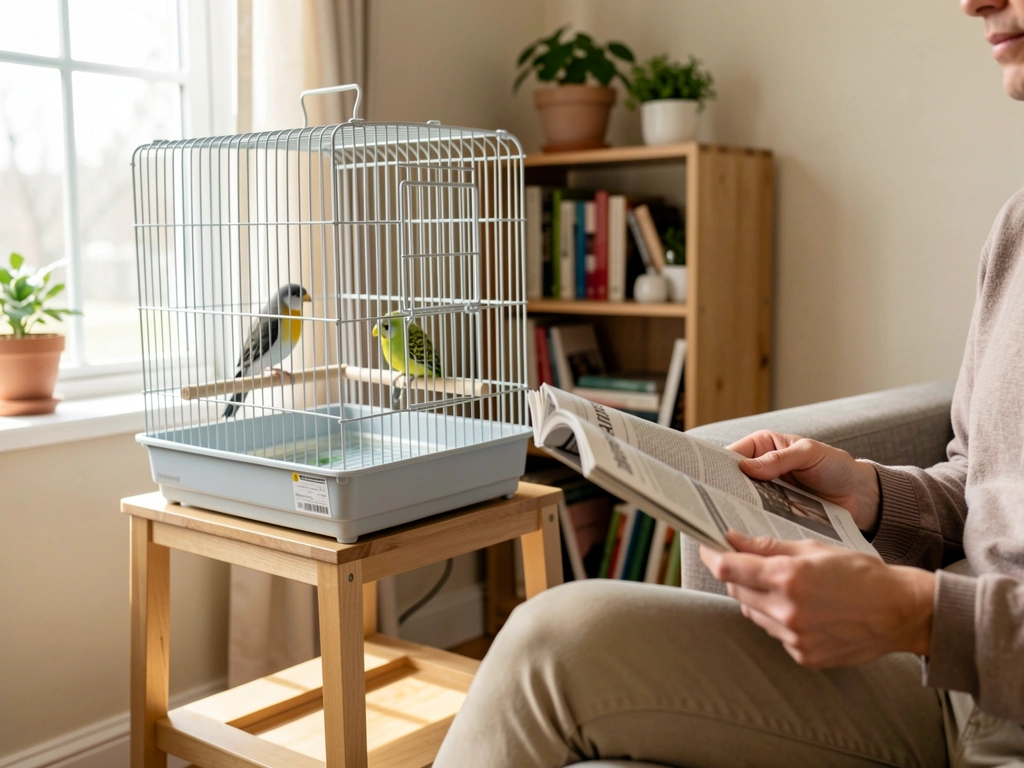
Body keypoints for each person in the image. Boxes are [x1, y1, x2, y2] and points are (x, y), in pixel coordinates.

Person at [432, 0, 1024, 765]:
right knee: (554, 637)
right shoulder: (1016, 229)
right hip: (948, 687)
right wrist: (866, 492)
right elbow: (985, 491)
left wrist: (918, 616)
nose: (973, 1)